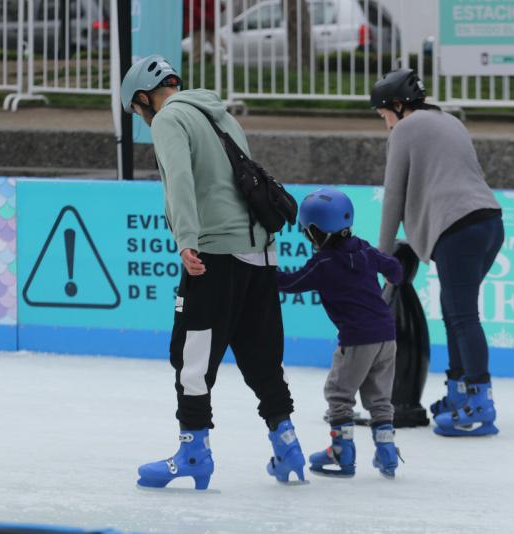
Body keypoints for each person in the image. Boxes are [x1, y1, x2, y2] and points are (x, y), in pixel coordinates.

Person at [120, 54, 306, 489]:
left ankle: (193, 452)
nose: (141, 120)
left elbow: (179, 180)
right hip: (261, 252)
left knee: (192, 356)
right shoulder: (218, 113)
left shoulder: (169, 120)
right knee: (261, 354)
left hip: (214, 254)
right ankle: (287, 443)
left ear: (145, 97)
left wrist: (186, 239)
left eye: (136, 111)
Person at [371, 69, 505, 437]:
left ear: (398, 106)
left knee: (461, 316)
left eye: (383, 112)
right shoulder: (450, 121)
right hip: (490, 222)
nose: (383, 120)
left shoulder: (405, 130)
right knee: (455, 313)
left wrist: (382, 256)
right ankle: (459, 390)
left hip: (457, 228)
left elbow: (394, 195)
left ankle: (479, 401)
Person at [277, 188, 404, 478]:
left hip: (358, 339)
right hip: (387, 335)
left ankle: (342, 453)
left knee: (339, 393)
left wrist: (259, 274)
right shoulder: (364, 248)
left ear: (315, 230)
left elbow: (292, 282)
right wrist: (393, 276)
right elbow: (395, 268)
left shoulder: (323, 263)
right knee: (379, 396)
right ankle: (387, 454)